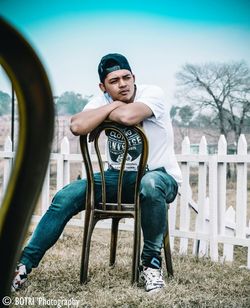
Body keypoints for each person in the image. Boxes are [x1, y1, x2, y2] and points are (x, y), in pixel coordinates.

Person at [12, 53, 182, 293]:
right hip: (118, 177)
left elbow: (129, 116)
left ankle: (151, 265)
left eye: (126, 77)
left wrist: (105, 113)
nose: (122, 84)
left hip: (160, 175)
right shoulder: (99, 99)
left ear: (134, 77)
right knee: (65, 197)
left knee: (151, 184)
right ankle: (21, 266)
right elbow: (77, 126)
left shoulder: (152, 93)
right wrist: (113, 105)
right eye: (114, 81)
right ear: (103, 86)